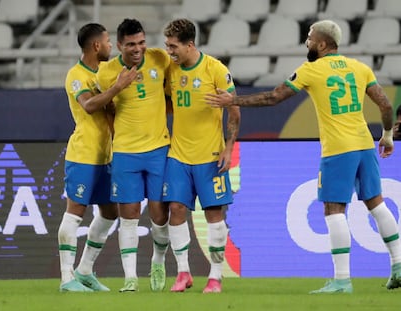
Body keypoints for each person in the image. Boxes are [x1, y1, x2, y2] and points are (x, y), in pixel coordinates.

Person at [206, 20, 401, 293]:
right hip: (364, 145)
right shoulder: (360, 68)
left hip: (338, 149)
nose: (306, 42)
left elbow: (274, 98)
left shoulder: (311, 69)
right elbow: (386, 104)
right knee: (376, 204)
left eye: (309, 38)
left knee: (334, 210)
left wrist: (233, 100)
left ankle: (342, 280)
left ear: (322, 44)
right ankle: (398, 266)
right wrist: (388, 136)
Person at [162, 18, 241, 293]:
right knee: (176, 210)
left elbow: (235, 111)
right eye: (167, 45)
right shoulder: (170, 70)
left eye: (173, 46)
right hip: (178, 155)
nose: (169, 51)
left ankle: (215, 276)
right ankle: (183, 273)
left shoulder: (215, 70)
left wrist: (229, 147)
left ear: (190, 45)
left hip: (210, 155)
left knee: (214, 215)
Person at [58, 23, 136, 292]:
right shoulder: (76, 76)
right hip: (83, 154)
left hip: (106, 154)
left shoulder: (103, 71)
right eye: (106, 41)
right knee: (75, 212)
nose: (110, 45)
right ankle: (66, 278)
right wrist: (116, 88)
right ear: (95, 46)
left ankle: (85, 270)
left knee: (109, 211)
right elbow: (90, 106)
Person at [96, 18, 171, 292]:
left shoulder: (160, 59)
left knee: (159, 214)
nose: (138, 48)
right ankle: (130, 277)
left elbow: (172, 94)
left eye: (141, 42)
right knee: (128, 215)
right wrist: (118, 87)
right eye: (131, 44)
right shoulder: (106, 73)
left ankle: (158, 261)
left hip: (158, 150)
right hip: (126, 152)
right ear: (119, 45)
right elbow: (103, 109)